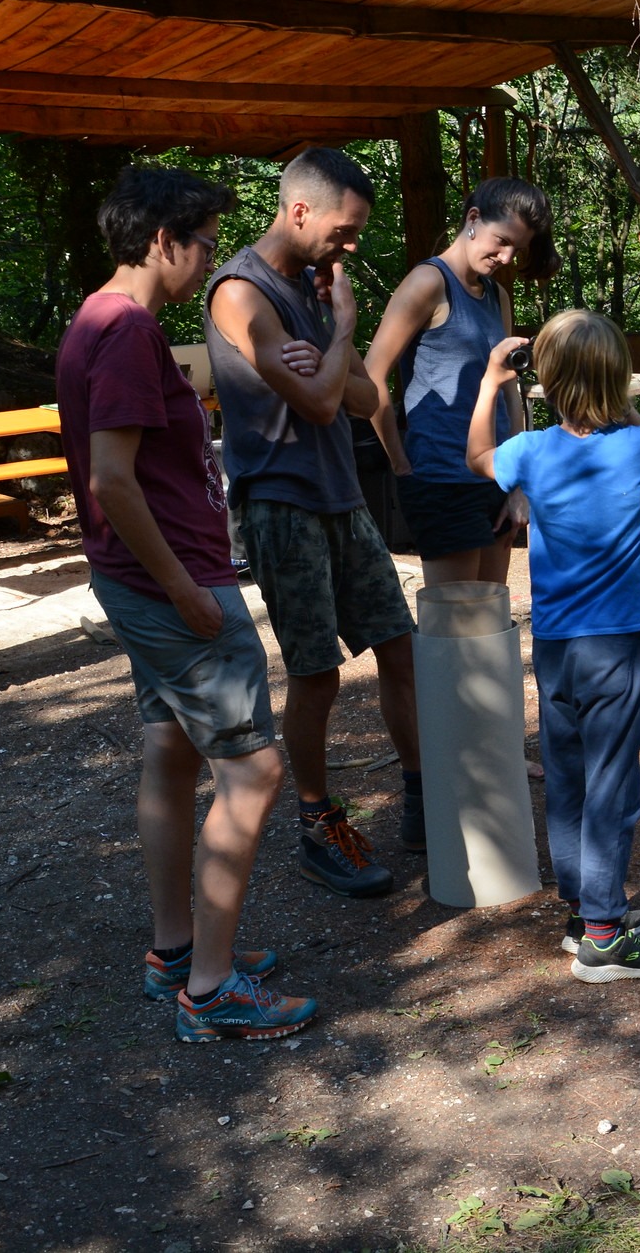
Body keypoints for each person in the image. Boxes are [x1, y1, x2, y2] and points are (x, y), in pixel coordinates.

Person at [56, 166, 315, 1042]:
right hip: (172, 583)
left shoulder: (96, 318)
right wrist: (183, 589)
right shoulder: (126, 330)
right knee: (253, 769)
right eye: (203, 243)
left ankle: (175, 948)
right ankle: (210, 991)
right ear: (163, 239)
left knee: (169, 750)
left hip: (140, 579)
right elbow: (111, 480)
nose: (209, 262)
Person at [204, 148, 421, 895]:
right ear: (300, 212)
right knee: (316, 674)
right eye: (346, 228)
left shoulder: (308, 288)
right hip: (281, 502)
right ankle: (315, 820)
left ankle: (424, 794)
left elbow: (364, 400)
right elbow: (324, 402)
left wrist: (332, 343)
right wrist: (345, 327)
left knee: (400, 645)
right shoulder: (240, 292)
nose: (351, 245)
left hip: (340, 496)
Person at [464, 311, 640, 982]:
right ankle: (605, 937)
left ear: (546, 381)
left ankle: (584, 908)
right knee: (612, 781)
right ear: (619, 377)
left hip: (555, 645)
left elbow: (476, 458)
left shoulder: (528, 451)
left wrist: (489, 383)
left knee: (567, 775)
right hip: (613, 645)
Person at [363, 177, 562, 591]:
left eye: (517, 249)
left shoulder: (496, 296)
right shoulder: (428, 283)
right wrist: (401, 466)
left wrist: (517, 480)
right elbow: (371, 376)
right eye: (501, 241)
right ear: (473, 219)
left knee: (490, 616)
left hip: (495, 478)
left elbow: (509, 390)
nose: (506, 257)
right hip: (440, 479)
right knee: (456, 628)